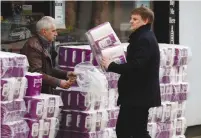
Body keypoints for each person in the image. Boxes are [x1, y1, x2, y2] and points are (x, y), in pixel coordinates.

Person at [101, 7, 161, 138]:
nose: (131, 21)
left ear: (146, 20)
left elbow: (136, 66)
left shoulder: (144, 39)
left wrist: (112, 65)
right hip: (137, 94)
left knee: (130, 131)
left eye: (135, 19)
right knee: (132, 131)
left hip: (138, 95)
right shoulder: (143, 37)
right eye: (131, 18)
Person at [21, 16, 76, 94]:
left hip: (42, 91)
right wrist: (58, 82)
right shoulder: (33, 46)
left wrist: (66, 74)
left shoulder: (45, 44)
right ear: (44, 32)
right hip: (36, 92)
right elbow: (36, 73)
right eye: (53, 31)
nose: (56, 34)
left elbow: (48, 69)